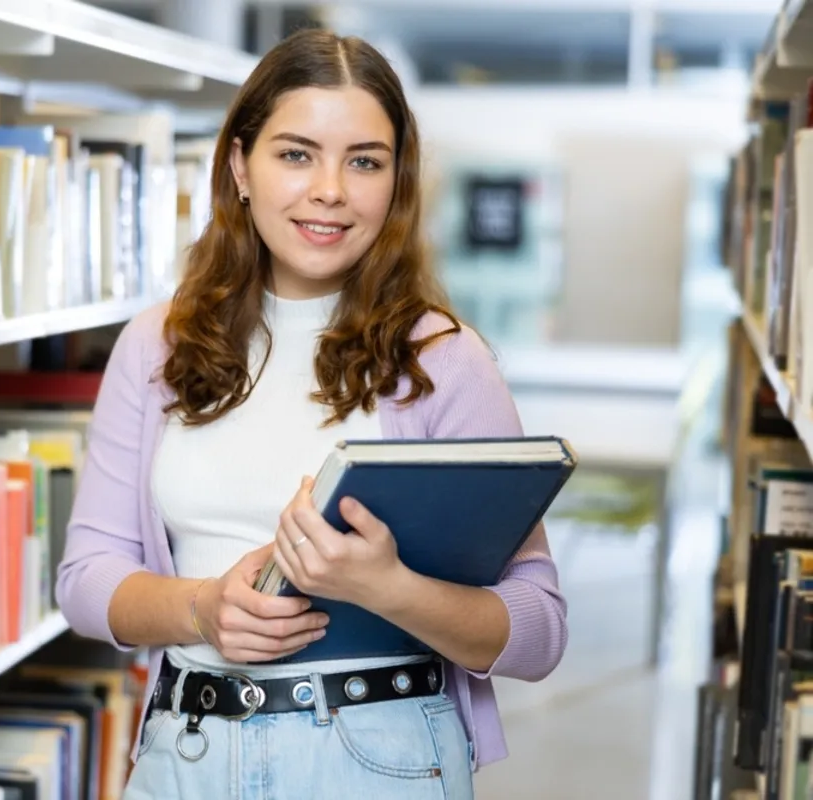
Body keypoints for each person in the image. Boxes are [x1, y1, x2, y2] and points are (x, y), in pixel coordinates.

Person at [56, 27, 567, 800]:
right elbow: (87, 579)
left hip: (380, 756)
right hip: (184, 757)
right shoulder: (155, 345)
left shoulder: (442, 357)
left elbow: (539, 629)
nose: (330, 189)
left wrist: (388, 587)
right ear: (240, 166)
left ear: (395, 183)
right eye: (296, 154)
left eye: (364, 161)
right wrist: (200, 608)